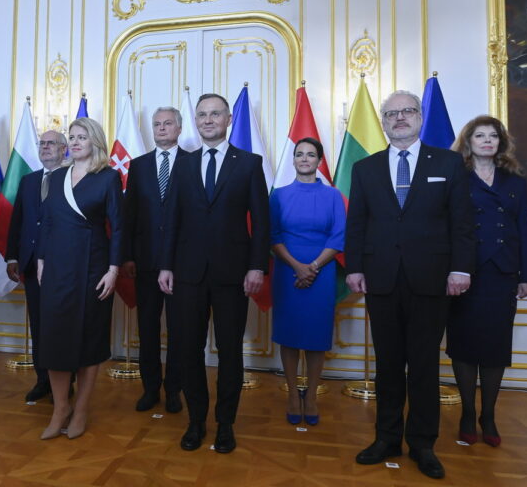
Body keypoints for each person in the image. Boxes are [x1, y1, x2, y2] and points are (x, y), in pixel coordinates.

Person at [345, 90, 476, 479]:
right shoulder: (365, 168)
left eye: (407, 111)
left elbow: (462, 222)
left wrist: (461, 270)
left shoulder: (449, 163)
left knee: (423, 364)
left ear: (420, 117)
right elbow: (357, 223)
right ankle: (387, 438)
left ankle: (422, 444)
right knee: (387, 364)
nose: (399, 118)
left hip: (432, 278)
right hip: (381, 277)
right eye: (391, 113)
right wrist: (354, 267)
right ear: (383, 122)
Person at [158, 93, 269, 454]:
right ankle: (196, 421)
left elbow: (262, 221)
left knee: (230, 352)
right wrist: (166, 265)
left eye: (215, 114)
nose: (208, 120)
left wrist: (257, 266)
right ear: (196, 120)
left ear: (228, 119)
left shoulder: (249, 164)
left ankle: (225, 424)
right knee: (188, 349)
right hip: (187, 273)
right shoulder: (183, 165)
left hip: (233, 274)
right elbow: (171, 220)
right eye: (202, 115)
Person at [447, 115, 527, 447]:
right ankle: (468, 413)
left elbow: (524, 229)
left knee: (496, 348)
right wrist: (449, 269)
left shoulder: (515, 181)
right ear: (468, 142)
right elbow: (447, 226)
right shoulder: (456, 177)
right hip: (465, 273)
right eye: (480, 135)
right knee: (464, 345)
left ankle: (489, 415)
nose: (487, 140)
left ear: (501, 142)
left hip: (502, 274)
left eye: (493, 136)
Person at [37, 117, 123, 439]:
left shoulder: (108, 177)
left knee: (89, 340)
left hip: (93, 269)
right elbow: (46, 222)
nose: (74, 142)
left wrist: (113, 270)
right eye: (71, 137)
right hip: (56, 269)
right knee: (54, 339)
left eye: (81, 137)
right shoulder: (57, 176)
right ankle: (61, 408)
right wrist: (41, 260)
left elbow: (119, 227)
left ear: (95, 141)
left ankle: (82, 408)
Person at [270, 137, 345, 426]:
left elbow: (339, 236)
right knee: (289, 335)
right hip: (287, 271)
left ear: (319, 160)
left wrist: (312, 267)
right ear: (293, 160)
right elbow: (273, 235)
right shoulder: (278, 195)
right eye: (299, 154)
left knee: (316, 337)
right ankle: (292, 394)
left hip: (321, 273)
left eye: (310, 154)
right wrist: (297, 267)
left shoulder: (333, 196)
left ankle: (311, 395)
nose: (304, 158)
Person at [122, 107, 185, 414]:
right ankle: (150, 389)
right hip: (145, 261)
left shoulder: (192, 162)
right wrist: (127, 256)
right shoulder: (139, 165)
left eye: (167, 123)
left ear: (179, 128)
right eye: (157, 124)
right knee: (147, 329)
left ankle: (174, 390)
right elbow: (130, 214)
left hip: (182, 263)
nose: (161, 128)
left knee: (179, 331)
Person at [6, 129, 68, 402]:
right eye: (42, 143)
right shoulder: (29, 180)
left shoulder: (73, 178)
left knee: (60, 326)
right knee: (39, 325)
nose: (45, 147)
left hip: (62, 264)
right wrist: (12, 257)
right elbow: (17, 220)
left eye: (51, 143)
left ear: (64, 149)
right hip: (31, 264)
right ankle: (43, 380)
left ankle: (64, 383)